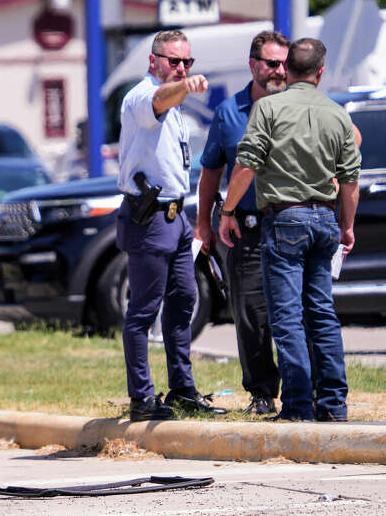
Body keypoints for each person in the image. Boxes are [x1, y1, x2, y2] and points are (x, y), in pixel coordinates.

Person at [220, 38, 360, 422]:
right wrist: (346, 226)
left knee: (286, 317)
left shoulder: (267, 107)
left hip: (284, 221)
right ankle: (332, 404)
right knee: (322, 314)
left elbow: (245, 165)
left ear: (288, 69)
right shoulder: (336, 113)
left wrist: (227, 210)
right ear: (320, 72)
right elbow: (350, 180)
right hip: (325, 220)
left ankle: (298, 406)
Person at [116, 29, 227, 421]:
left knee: (183, 302)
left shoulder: (175, 106)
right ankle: (141, 398)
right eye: (173, 61)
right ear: (153, 61)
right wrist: (184, 86)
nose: (180, 68)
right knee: (143, 311)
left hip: (176, 216)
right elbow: (159, 100)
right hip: (149, 217)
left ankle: (181, 388)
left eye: (186, 62)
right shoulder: (143, 96)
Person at [196, 31, 288, 417]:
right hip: (244, 226)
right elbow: (211, 172)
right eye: (272, 63)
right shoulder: (229, 112)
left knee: (292, 312)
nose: (280, 70)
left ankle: (305, 390)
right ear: (253, 66)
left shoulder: (299, 107)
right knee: (250, 313)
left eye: (285, 63)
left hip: (289, 223)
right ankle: (262, 392)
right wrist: (203, 223)